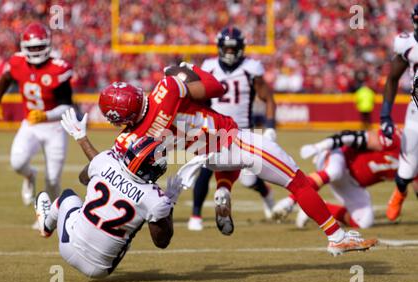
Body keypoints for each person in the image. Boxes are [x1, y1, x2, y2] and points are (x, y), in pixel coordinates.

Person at [82, 64, 377, 256]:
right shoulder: (167, 89)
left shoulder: (128, 139)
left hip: (203, 156)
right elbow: (217, 88)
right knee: (297, 181)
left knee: (234, 165)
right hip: (230, 140)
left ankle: (223, 188)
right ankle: (336, 236)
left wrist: (81, 138)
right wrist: (186, 71)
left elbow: (94, 173)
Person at [34, 135, 182, 279]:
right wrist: (170, 202)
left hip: (68, 247)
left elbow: (83, 179)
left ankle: (47, 227)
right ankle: (49, 227)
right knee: (126, 235)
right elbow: (161, 242)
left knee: (67, 196)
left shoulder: (105, 160)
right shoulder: (155, 199)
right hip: (101, 269)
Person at [188, 26, 278, 231]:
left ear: (241, 48)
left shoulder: (251, 68)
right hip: (214, 127)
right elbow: (200, 98)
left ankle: (266, 194)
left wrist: (270, 127)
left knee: (250, 179)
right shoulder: (209, 67)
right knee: (204, 168)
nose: (229, 52)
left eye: (233, 48)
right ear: (220, 48)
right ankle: (196, 215)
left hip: (243, 129)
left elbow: (268, 99)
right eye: (226, 48)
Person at [0, 22, 73, 206]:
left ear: (47, 45)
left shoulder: (59, 68)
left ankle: (51, 217)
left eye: (40, 46)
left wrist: (45, 116)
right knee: (17, 162)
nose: (37, 50)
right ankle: (30, 175)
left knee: (53, 179)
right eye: (32, 47)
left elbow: (67, 106)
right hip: (30, 124)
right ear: (24, 48)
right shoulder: (17, 62)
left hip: (54, 127)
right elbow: (6, 78)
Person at [273, 128, 403, 229]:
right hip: (338, 155)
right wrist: (319, 147)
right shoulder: (394, 139)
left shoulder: (414, 165)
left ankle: (316, 208)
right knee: (334, 171)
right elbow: (347, 137)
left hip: (353, 183)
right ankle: (290, 201)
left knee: (364, 222)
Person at [379, 5, 418, 221]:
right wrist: (385, 115)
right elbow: (393, 78)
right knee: (405, 173)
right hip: (416, 112)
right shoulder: (408, 43)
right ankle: (400, 191)